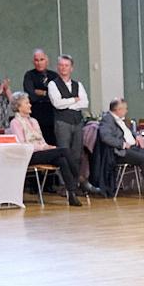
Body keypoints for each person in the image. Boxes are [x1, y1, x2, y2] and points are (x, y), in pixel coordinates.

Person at [8, 91, 82, 206]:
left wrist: (47, 146)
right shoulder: (15, 123)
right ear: (18, 107)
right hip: (28, 155)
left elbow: (41, 140)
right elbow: (23, 144)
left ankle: (72, 194)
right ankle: (79, 178)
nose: (30, 105)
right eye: (27, 103)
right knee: (65, 150)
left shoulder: (34, 121)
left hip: (42, 152)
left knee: (61, 160)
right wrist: (43, 147)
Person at [98, 98, 144, 200]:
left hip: (134, 148)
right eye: (125, 109)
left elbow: (127, 131)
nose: (126, 111)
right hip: (121, 152)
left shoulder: (122, 120)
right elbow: (106, 137)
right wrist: (122, 144)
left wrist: (137, 136)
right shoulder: (107, 120)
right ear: (118, 110)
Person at [47, 54, 89, 188]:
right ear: (57, 67)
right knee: (64, 153)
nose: (63, 68)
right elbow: (57, 104)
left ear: (71, 68)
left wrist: (68, 103)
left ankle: (75, 183)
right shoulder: (53, 84)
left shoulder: (78, 84)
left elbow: (85, 103)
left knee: (77, 154)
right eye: (61, 65)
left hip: (77, 121)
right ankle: (65, 184)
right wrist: (74, 100)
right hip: (62, 122)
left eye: (66, 65)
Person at [22, 49, 59, 144]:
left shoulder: (54, 76)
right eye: (36, 60)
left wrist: (43, 93)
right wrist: (48, 95)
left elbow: (57, 96)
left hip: (52, 115)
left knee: (52, 143)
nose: (39, 63)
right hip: (36, 115)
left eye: (41, 59)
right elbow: (31, 96)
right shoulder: (29, 75)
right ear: (33, 62)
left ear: (47, 60)